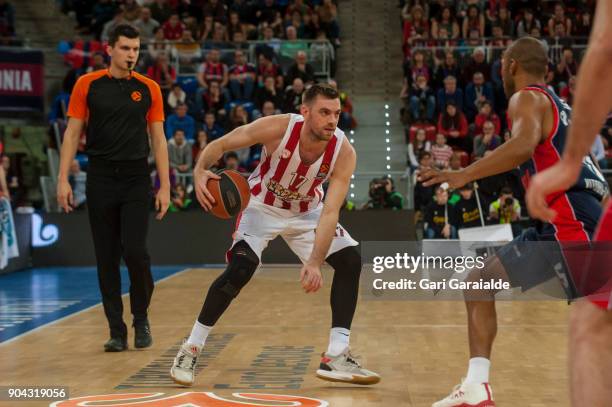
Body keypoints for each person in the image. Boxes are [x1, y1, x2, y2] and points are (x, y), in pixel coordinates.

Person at [419, 36, 608, 406]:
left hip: (571, 222)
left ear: (511, 66)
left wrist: (463, 174)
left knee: (596, 332)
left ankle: (476, 388)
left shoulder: (527, 99)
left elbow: (522, 146)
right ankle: (475, 388)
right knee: (479, 281)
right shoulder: (563, 107)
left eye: (503, 63)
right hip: (577, 219)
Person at [169, 83, 380, 387]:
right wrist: (201, 168)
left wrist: (314, 261)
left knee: (350, 260)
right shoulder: (279, 128)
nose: (332, 120)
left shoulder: (343, 151)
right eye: (324, 112)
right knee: (241, 268)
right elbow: (224, 143)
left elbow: (331, 211)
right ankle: (191, 347)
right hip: (261, 206)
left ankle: (336, 355)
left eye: (335, 113)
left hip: (308, 212)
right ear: (305, 111)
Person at [57, 24, 170, 352]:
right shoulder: (87, 85)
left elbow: (159, 140)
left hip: (136, 178)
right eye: (125, 48)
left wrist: (163, 185)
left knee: (136, 253)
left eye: (135, 49)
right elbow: (71, 133)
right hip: (100, 178)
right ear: (110, 49)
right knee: (106, 257)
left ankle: (141, 318)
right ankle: (116, 331)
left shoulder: (149, 88)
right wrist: (63, 178)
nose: (131, 55)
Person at [525, 2, 612, 405]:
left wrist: (571, 161)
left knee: (592, 321)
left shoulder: (531, 102)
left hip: (573, 215)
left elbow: (605, 47)